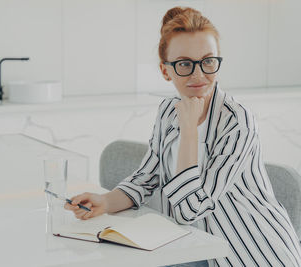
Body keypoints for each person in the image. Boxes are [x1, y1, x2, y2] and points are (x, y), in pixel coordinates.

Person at [64, 6, 301, 267]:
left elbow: (190, 209)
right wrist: (105, 201)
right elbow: (146, 178)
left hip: (252, 253)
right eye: (185, 64)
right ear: (166, 70)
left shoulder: (236, 120)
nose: (199, 74)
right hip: (195, 249)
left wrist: (189, 130)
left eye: (208, 61)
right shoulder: (168, 111)